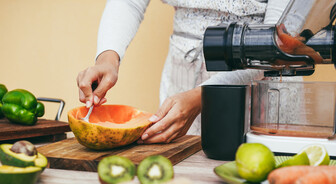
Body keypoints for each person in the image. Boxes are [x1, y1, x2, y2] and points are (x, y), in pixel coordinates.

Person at [77, 0, 294, 144]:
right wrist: (107, 58)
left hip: (258, 77)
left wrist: (203, 96)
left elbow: (279, 40)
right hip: (182, 74)